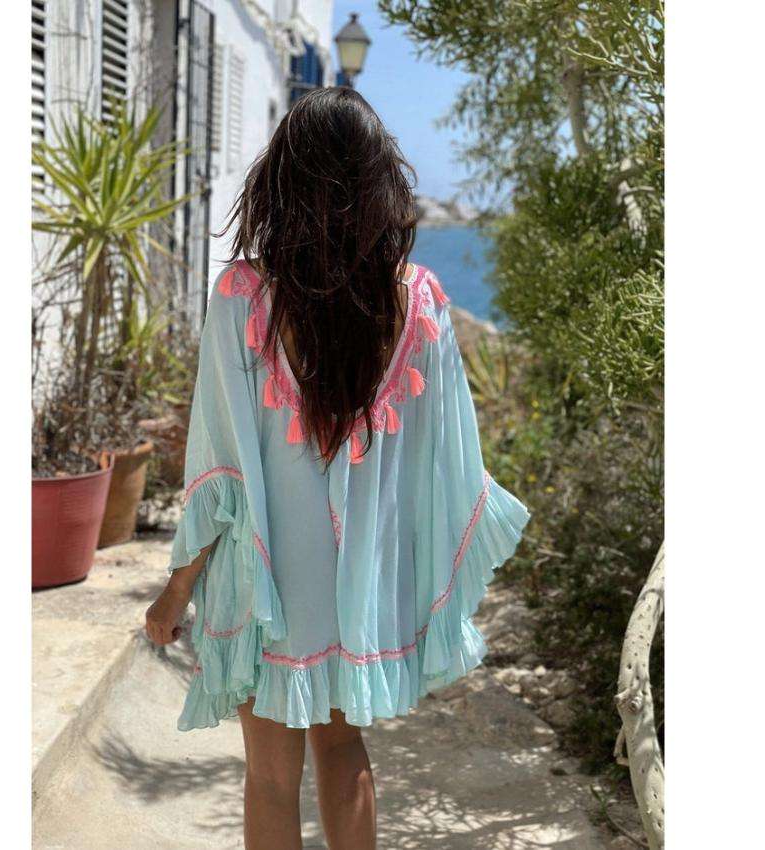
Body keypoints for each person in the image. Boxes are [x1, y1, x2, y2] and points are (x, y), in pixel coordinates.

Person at [145, 86, 529, 850]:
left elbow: (220, 469)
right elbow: (449, 461)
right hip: (357, 586)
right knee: (344, 751)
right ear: (379, 182)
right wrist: (411, 577)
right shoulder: (419, 302)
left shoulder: (242, 297)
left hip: (268, 583)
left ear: (281, 180)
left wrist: (177, 588)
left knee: (269, 777)